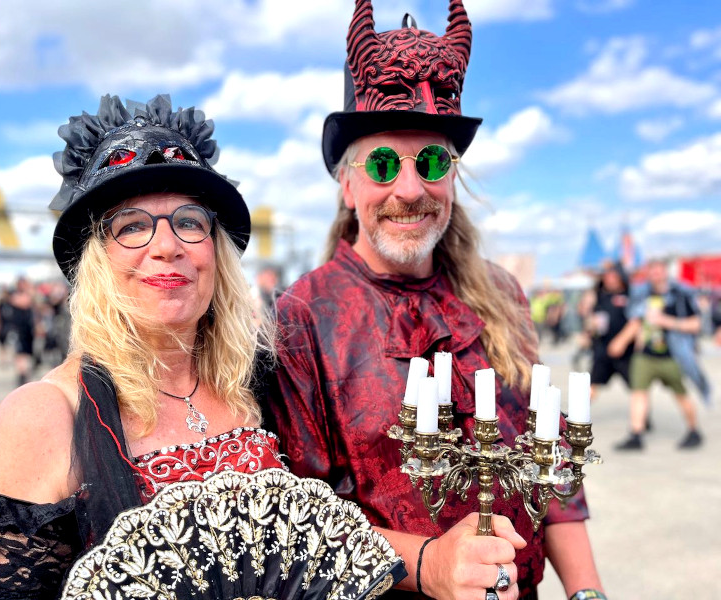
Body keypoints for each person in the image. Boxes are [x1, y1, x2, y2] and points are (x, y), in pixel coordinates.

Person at [266, 2, 604, 599]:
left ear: (451, 176)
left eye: (430, 161)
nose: (409, 189)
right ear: (347, 186)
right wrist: (429, 564)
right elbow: (299, 517)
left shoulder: (501, 293)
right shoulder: (303, 315)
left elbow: (552, 469)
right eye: (382, 164)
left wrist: (587, 592)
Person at [0, 94, 286, 598]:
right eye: (132, 226)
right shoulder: (45, 415)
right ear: (97, 263)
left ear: (217, 252)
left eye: (189, 221)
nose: (167, 246)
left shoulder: (257, 380)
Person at [610, 258, 707, 450]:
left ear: (665, 272)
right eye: (652, 271)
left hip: (672, 355)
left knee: (680, 394)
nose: (655, 275)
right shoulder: (642, 295)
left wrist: (666, 321)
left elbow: (696, 324)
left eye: (659, 271)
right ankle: (636, 434)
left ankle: (694, 430)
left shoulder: (680, 295)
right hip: (645, 355)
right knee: (638, 393)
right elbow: (636, 321)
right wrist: (621, 341)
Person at [586, 261, 634, 399]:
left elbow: (636, 322)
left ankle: (643, 415)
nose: (610, 280)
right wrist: (589, 328)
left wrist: (622, 341)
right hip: (602, 349)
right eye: (607, 276)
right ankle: (578, 412)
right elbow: (589, 318)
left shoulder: (630, 295)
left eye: (613, 276)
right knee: (590, 387)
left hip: (626, 352)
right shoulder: (599, 296)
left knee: (637, 389)